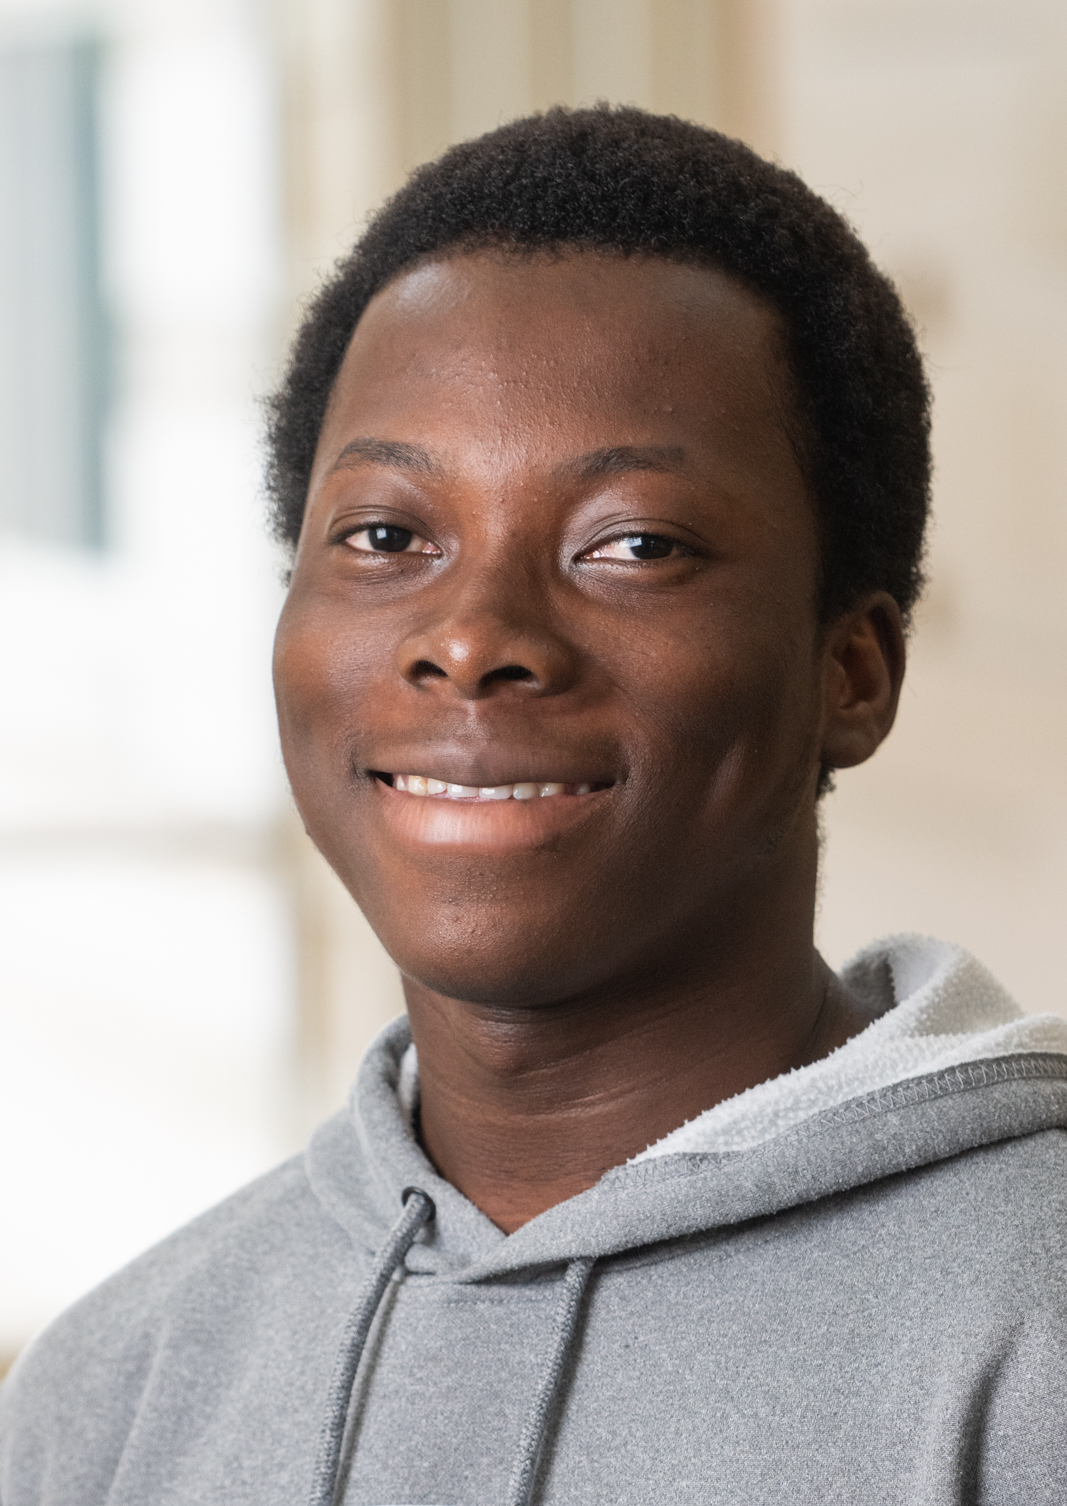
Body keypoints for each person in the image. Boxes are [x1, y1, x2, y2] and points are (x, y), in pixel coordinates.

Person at [2, 105, 1066, 1506]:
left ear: (850, 673)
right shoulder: (113, 1391)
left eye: (632, 545)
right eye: (387, 536)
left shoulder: (1033, 1336)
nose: (474, 635)